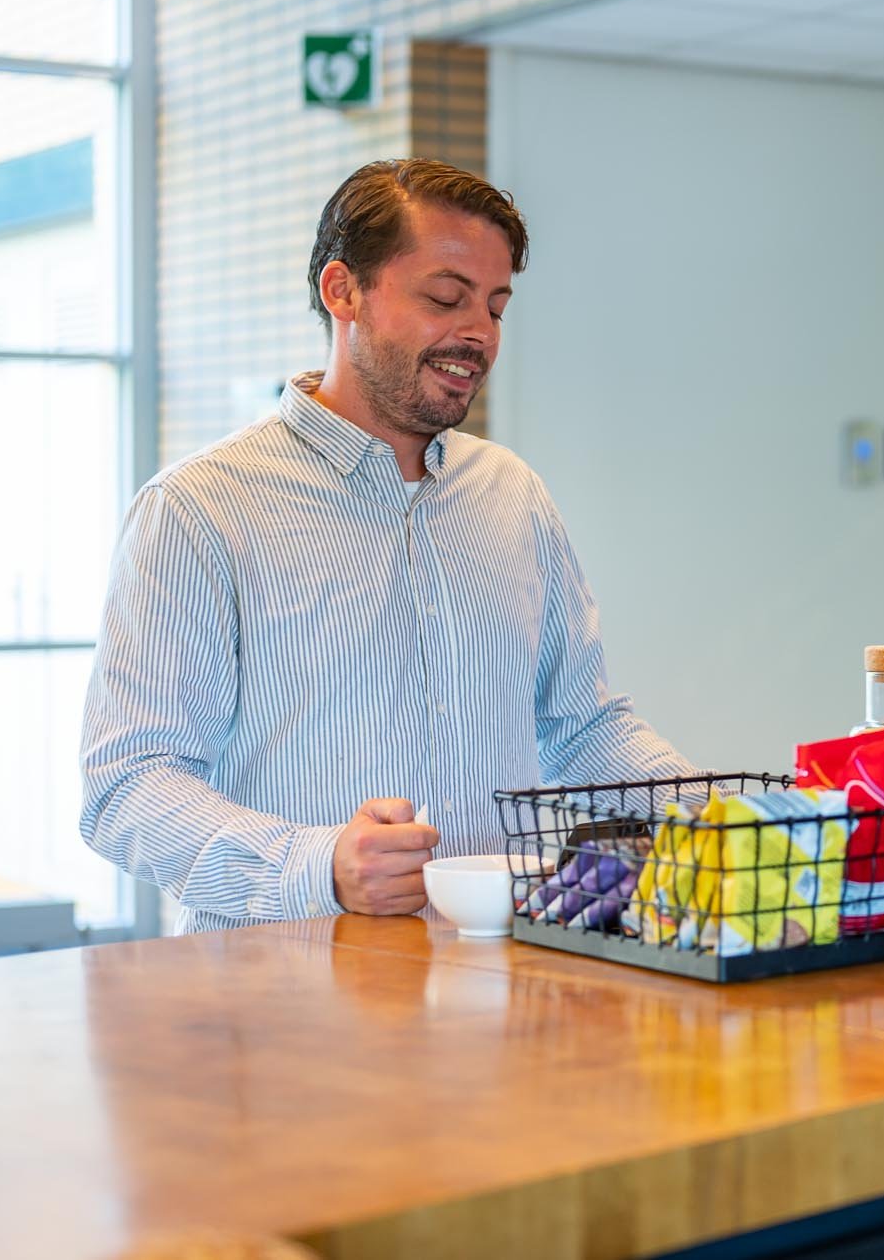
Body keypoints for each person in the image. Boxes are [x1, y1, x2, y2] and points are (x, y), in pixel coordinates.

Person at [82, 158, 694, 933]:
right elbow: (127, 784)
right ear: (344, 291)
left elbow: (581, 728)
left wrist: (746, 817)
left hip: (491, 985)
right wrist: (320, 865)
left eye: (496, 307)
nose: (476, 332)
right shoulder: (200, 510)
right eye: (445, 297)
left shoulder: (511, 493)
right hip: (282, 1004)